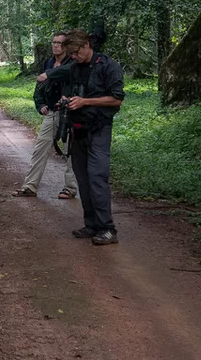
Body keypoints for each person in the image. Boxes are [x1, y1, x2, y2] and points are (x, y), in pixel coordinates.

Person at [58, 28, 124, 245]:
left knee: (97, 177)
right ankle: (92, 224)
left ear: (87, 45)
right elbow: (72, 91)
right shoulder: (75, 68)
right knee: (83, 179)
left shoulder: (108, 66)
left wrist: (86, 102)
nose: (73, 57)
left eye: (76, 52)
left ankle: (107, 228)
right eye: (71, 54)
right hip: (78, 130)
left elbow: (116, 100)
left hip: (99, 129)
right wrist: (67, 100)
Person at [11, 32, 78, 200]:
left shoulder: (73, 63)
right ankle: (30, 186)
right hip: (52, 112)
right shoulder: (48, 62)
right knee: (41, 147)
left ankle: (70, 188)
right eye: (54, 42)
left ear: (66, 46)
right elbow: (39, 87)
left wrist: (50, 74)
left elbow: (68, 73)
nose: (56, 46)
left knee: (71, 150)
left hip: (71, 112)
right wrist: (40, 104)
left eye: (60, 43)